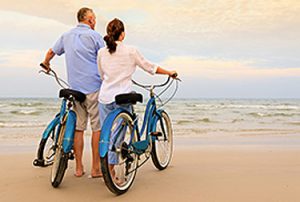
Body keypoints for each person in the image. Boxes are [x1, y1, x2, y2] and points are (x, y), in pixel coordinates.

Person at [97, 18, 177, 181]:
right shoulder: (131, 51)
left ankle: (106, 165)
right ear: (123, 34)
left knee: (106, 133)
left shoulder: (101, 52)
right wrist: (169, 72)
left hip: (104, 96)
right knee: (118, 135)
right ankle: (111, 170)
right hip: (122, 97)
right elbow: (150, 67)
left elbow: (101, 75)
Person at [41, 7, 104, 178]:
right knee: (97, 128)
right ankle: (96, 168)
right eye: (95, 18)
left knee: (79, 128)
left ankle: (78, 167)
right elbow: (105, 57)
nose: (95, 22)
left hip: (75, 90)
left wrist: (46, 64)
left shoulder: (66, 36)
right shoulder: (95, 36)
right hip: (94, 88)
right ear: (90, 19)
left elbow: (50, 52)